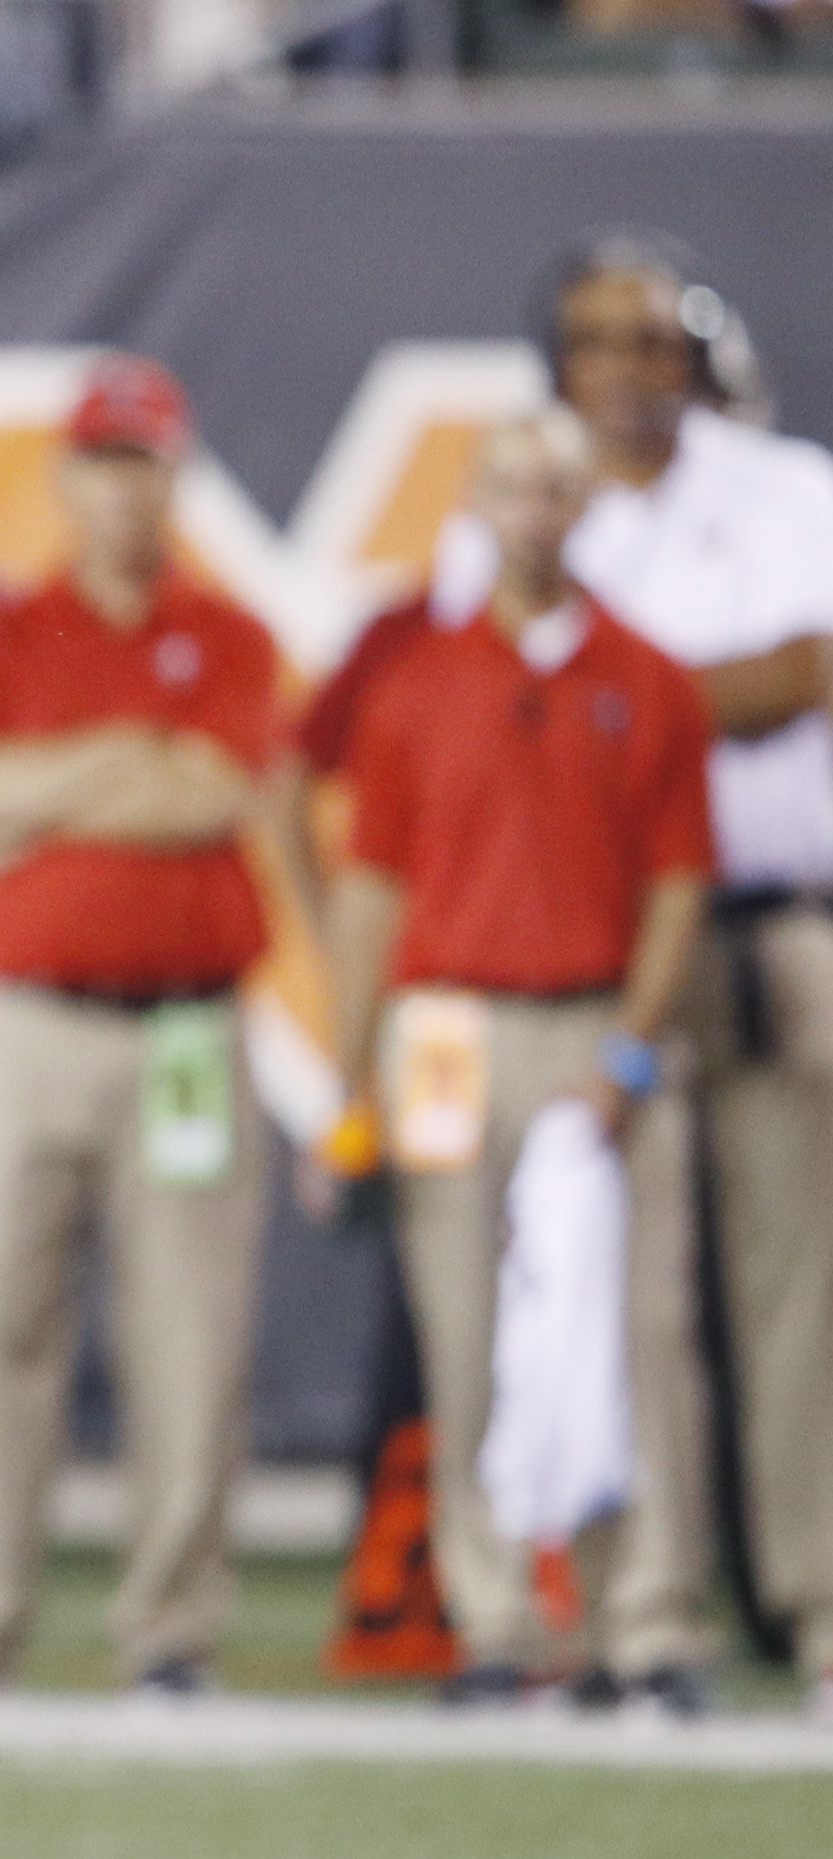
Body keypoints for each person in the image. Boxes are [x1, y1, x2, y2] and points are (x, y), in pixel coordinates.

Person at [0, 354, 290, 1695]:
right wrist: (123, 758)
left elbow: (209, 795)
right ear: (68, 479)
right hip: (24, 1025)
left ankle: (171, 1629)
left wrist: (40, 797)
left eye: (146, 464)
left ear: (175, 478)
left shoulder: (229, 633)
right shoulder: (5, 627)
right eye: (106, 463)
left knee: (192, 1333)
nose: (126, 489)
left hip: (187, 1029)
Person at [322, 408, 714, 1713]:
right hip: (448, 1032)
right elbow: (372, 890)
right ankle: (495, 1617)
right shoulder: (417, 681)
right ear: (480, 506)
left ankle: (644, 1618)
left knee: (642, 1332)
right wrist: (353, 1073)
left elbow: (677, 884)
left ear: (584, 505)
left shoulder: (648, 676)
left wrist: (632, 1046)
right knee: (466, 1333)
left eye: (557, 487)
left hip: (595, 1022)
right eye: (514, 487)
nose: (536, 510)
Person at [542, 234, 833, 1721]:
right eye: (597, 341)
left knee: (801, 1291)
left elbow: (803, 673)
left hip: (774, 925)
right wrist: (681, 698)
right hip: (605, 952)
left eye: (652, 340)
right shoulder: (534, 502)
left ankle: (821, 1611)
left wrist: (605, 706)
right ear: (561, 363)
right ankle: (650, 1621)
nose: (626, 369)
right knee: (633, 1298)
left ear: (697, 358)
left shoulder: (787, 491)